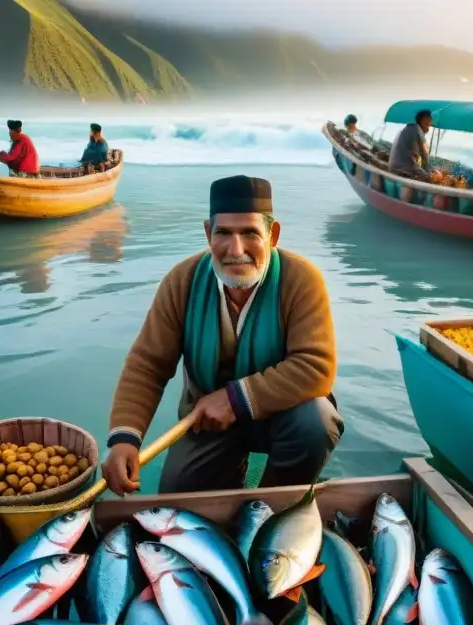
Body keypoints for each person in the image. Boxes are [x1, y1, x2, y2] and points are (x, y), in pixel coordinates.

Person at [102, 175, 344, 495]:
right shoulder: (182, 281)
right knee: (178, 496)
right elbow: (148, 364)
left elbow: (316, 367)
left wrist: (235, 399)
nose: (236, 249)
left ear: (272, 235)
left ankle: (271, 500)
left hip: (282, 416)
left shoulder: (301, 279)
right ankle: (232, 471)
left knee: (317, 422)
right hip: (207, 421)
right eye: (224, 233)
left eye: (250, 233)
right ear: (208, 233)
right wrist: (123, 438)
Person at [389, 109, 433, 176]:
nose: (430, 124)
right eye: (429, 120)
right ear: (424, 120)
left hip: (393, 168)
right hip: (404, 172)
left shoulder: (408, 128)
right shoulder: (417, 129)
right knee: (432, 179)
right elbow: (425, 155)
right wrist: (431, 174)